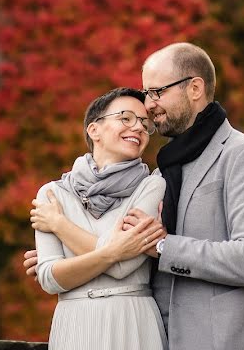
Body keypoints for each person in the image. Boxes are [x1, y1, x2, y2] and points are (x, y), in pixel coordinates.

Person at [26, 42, 244, 350]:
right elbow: (126, 255)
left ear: (195, 88)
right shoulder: (163, 172)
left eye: (157, 92)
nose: (148, 105)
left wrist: (164, 247)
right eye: (147, 94)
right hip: (154, 337)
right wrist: (70, 254)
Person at [32, 87, 168, 350]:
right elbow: (49, 278)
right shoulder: (52, 194)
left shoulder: (153, 186)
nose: (139, 127)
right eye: (126, 118)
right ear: (94, 130)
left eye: (144, 123)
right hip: (74, 323)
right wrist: (113, 250)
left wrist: (60, 226)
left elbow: (122, 268)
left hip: (132, 320)